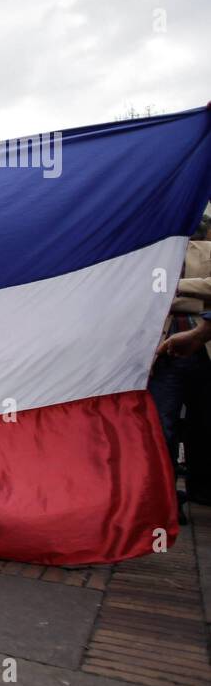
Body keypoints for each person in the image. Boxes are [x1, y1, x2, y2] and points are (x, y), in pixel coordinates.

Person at [149, 217, 211, 518]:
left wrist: (175, 287)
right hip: (165, 353)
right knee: (164, 425)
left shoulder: (206, 252)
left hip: (204, 352)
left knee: (203, 424)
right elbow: (147, 292)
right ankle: (168, 497)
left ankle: (201, 489)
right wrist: (199, 300)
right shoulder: (151, 252)